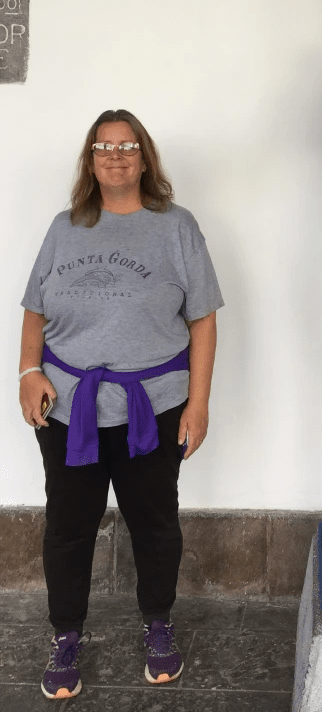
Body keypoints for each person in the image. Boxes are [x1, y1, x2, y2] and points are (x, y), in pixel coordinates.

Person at [18, 109, 223, 700]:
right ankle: (65, 635)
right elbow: (35, 309)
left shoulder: (177, 226)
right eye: (104, 147)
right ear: (90, 160)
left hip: (153, 406)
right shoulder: (64, 227)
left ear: (144, 157)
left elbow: (203, 320)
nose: (116, 155)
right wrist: (29, 372)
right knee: (68, 526)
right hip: (68, 407)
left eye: (127, 146)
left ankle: (158, 624)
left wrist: (199, 402)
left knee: (155, 522)